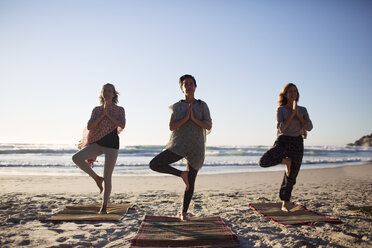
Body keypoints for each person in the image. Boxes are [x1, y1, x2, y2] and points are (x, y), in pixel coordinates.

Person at [149, 74, 212, 220]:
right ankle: (181, 174)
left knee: (191, 183)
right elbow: (172, 127)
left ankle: (184, 213)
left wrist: (194, 119)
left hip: (196, 147)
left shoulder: (203, 105)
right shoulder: (176, 107)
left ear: (195, 86)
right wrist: (186, 119)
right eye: (186, 84)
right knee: (154, 164)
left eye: (191, 83)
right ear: (181, 88)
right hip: (179, 145)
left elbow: (208, 125)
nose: (189, 86)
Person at [258, 83, 313, 212]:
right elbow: (282, 128)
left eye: (295, 91)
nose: (293, 94)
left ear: (297, 94)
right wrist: (292, 115)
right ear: (286, 94)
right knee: (263, 161)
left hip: (297, 143)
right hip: (283, 141)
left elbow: (309, 127)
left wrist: (297, 114)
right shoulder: (281, 110)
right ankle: (286, 161)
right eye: (290, 91)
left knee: (291, 177)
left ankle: (285, 204)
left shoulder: (303, 110)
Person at [72, 83, 125, 214]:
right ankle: (96, 178)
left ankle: (104, 206)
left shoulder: (119, 110)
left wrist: (109, 115)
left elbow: (122, 124)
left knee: (108, 176)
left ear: (113, 94)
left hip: (112, 145)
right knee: (76, 158)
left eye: (109, 91)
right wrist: (102, 115)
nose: (107, 93)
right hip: (97, 143)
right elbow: (90, 126)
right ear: (102, 93)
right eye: (104, 91)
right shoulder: (96, 110)